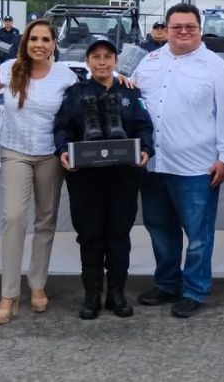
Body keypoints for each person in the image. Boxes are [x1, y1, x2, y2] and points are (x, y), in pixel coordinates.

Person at [131, 3, 224, 318]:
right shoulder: (148, 63)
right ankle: (167, 283)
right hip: (154, 165)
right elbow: (132, 101)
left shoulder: (216, 67)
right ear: (165, 29)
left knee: (198, 236)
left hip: (197, 167)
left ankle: (194, 289)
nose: (183, 32)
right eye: (177, 26)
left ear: (199, 28)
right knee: (160, 230)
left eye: (190, 26)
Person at [54, 37, 154, 320]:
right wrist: (63, 152)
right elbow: (62, 129)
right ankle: (91, 295)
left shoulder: (130, 93)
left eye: (107, 56)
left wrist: (146, 150)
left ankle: (117, 294)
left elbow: (145, 128)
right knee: (90, 237)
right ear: (88, 62)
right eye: (96, 57)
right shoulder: (75, 93)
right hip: (86, 178)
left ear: (116, 61)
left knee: (118, 236)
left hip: (123, 177)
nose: (102, 62)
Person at [0, 19, 78, 325]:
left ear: (54, 44)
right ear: (25, 42)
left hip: (50, 154)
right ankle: (8, 293)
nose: (39, 44)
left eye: (46, 39)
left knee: (45, 219)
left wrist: (124, 81)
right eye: (34, 38)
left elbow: (98, 81)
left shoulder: (65, 75)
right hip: (14, 151)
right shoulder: (10, 67)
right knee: (13, 217)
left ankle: (37, 283)